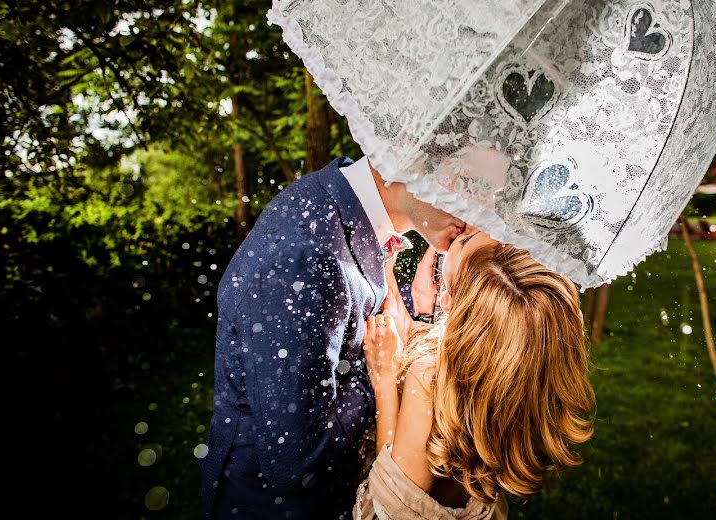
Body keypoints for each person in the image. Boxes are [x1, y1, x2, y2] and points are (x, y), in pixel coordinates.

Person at [201, 156, 466, 519]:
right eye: (469, 186)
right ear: (410, 155)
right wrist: (385, 371)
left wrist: (411, 304)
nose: (478, 211)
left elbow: (338, 316)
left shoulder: (341, 206)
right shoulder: (302, 255)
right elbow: (295, 460)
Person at [356, 229, 595, 519]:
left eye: (466, 240)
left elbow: (391, 503)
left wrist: (384, 376)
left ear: (448, 302)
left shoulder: (429, 375)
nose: (469, 227)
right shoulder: (515, 367)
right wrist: (401, 289)